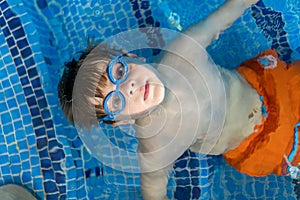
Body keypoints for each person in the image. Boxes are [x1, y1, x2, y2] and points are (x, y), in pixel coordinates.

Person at [58, 0, 300, 199]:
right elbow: (153, 188)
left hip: (266, 84)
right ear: (120, 122)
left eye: (120, 72)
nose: (129, 88)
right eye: (115, 102)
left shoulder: (183, 50)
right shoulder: (155, 143)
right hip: (258, 144)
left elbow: (223, 16)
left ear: (129, 56)